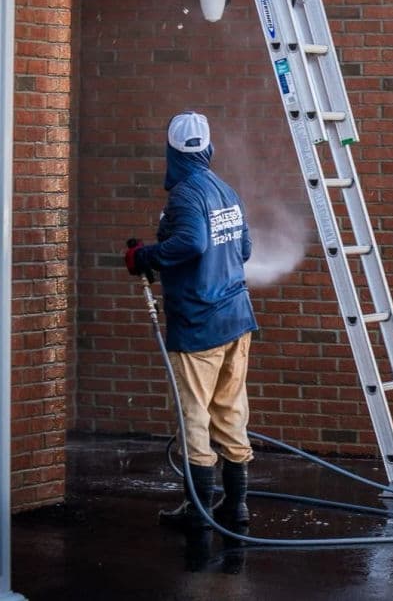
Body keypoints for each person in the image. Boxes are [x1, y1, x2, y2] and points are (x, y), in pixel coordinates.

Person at [123, 111, 258, 536]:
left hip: (199, 326)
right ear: (207, 149)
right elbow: (246, 248)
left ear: (173, 151)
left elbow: (193, 242)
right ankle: (235, 508)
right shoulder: (225, 189)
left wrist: (144, 257)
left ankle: (197, 509)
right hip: (236, 321)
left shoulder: (185, 194)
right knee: (231, 412)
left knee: (194, 418)